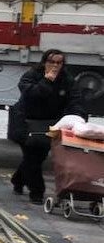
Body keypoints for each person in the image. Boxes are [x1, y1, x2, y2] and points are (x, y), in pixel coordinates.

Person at [9, 49, 85, 204]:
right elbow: (31, 94)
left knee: (39, 156)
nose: (55, 66)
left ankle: (18, 179)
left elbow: (75, 100)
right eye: (52, 62)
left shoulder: (67, 80)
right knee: (32, 157)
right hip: (26, 121)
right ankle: (37, 192)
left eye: (59, 63)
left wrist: (78, 117)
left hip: (49, 124)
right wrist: (46, 81)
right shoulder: (32, 75)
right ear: (44, 62)